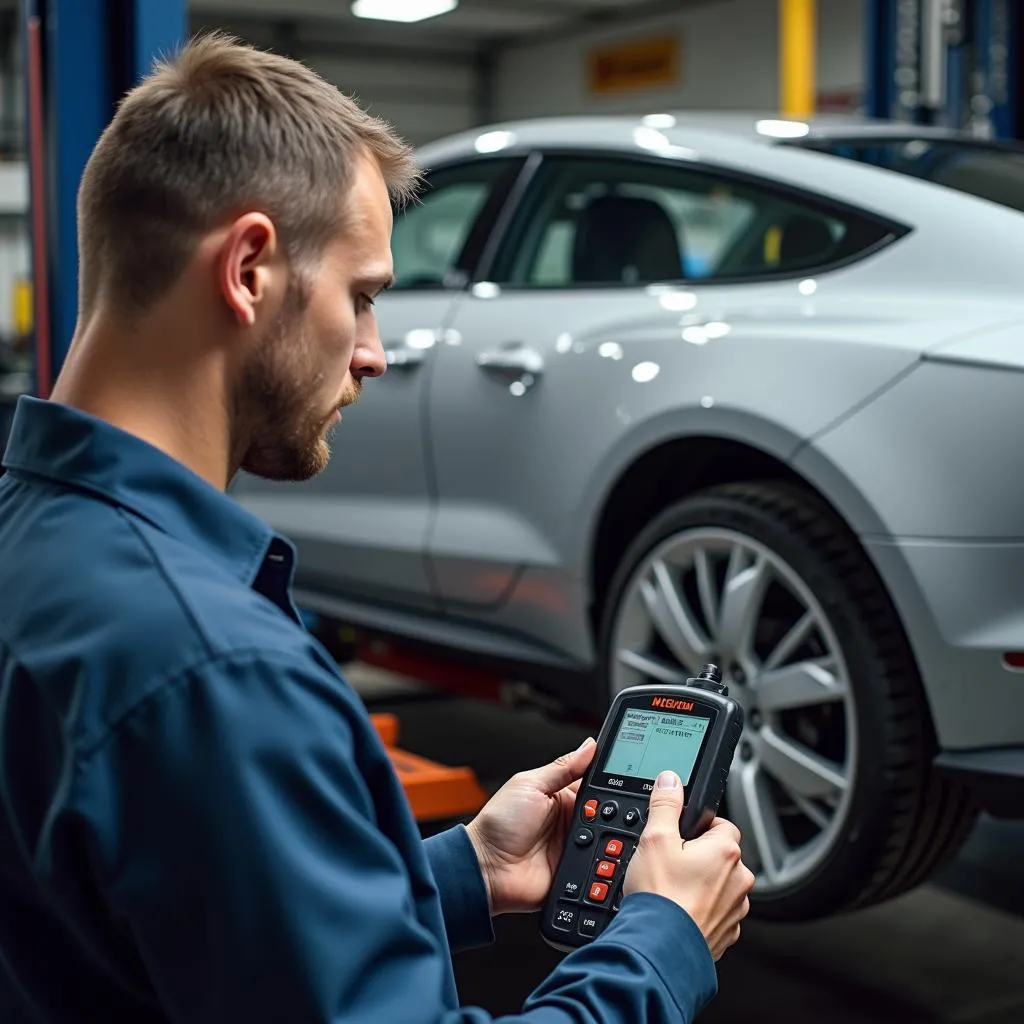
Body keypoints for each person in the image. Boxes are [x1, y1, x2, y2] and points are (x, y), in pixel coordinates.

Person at [0, 33, 754, 1024]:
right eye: (361, 298)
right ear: (251, 268)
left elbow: (169, 920)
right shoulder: (216, 670)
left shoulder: (34, 541)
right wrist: (660, 940)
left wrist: (456, 872)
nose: (375, 354)